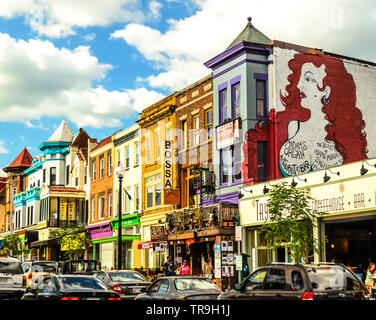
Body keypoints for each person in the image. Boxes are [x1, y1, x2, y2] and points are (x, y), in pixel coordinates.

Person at [277, 52, 367, 177]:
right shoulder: (293, 127)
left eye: (308, 79)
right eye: (301, 78)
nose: (299, 85)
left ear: (326, 91)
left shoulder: (339, 136)